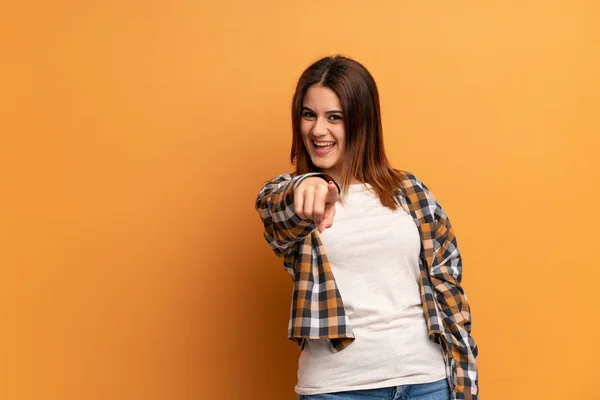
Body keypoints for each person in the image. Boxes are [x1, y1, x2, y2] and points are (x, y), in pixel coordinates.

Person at [255, 55, 479, 400]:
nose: (318, 130)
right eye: (309, 115)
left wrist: (464, 385)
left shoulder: (411, 193)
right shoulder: (295, 198)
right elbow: (277, 212)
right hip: (338, 389)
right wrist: (310, 185)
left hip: (427, 382)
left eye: (335, 118)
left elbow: (449, 290)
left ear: (362, 123)